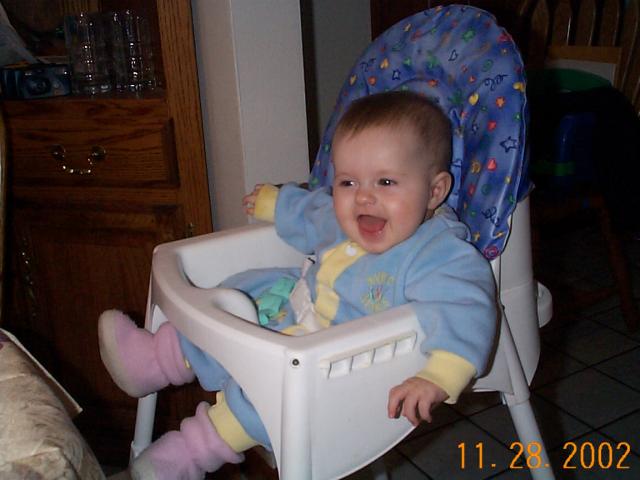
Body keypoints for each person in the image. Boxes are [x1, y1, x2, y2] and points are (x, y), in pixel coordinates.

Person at [98, 91, 497, 480]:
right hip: (295, 309)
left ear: (435, 190)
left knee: (258, 400)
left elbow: (466, 306)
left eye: (386, 182)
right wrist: (276, 203)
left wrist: (440, 375)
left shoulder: (438, 252)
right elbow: (313, 210)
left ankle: (188, 454)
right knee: (238, 297)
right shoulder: (341, 217)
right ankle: (156, 358)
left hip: (337, 366)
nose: (363, 198)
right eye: (348, 182)